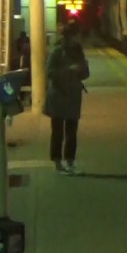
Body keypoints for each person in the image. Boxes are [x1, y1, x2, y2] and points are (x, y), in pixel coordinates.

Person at [45, 21, 90, 175]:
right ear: (71, 36)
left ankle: (70, 161)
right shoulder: (57, 51)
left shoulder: (78, 51)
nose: (80, 38)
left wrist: (82, 69)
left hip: (73, 96)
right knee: (58, 131)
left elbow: (85, 74)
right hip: (58, 95)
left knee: (72, 131)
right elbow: (50, 72)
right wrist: (69, 70)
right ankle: (58, 163)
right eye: (78, 35)